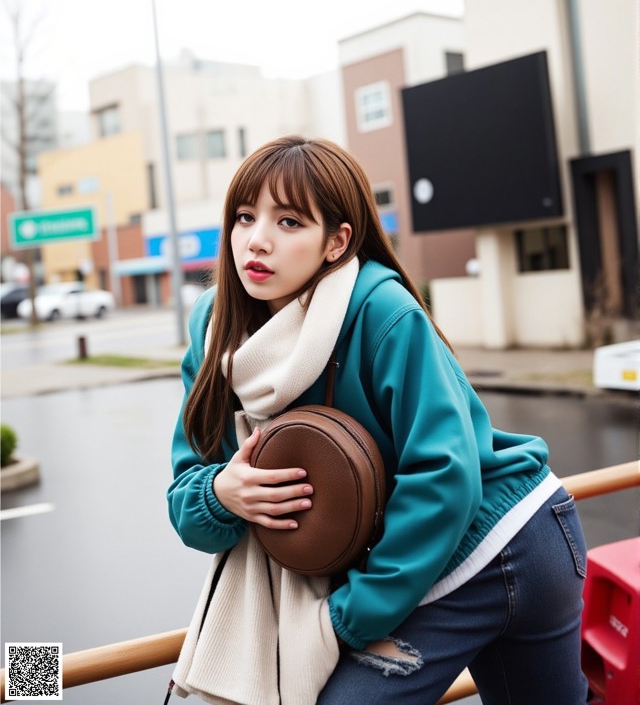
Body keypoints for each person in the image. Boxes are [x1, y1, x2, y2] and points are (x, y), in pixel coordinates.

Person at [167, 135, 589, 705]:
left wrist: (345, 619)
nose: (257, 239)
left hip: (501, 539)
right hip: (427, 557)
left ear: (337, 242)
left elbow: (444, 474)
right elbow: (187, 499)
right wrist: (222, 492)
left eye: (289, 222)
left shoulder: (382, 312)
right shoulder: (213, 330)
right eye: (244, 217)